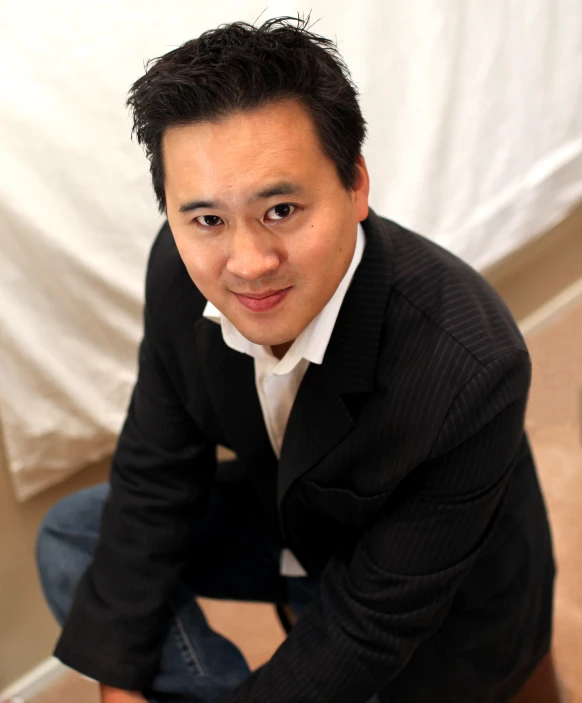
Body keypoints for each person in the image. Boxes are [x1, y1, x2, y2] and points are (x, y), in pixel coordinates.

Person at [36, 16, 557, 703]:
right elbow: (154, 475)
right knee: (74, 534)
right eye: (207, 221)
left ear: (356, 184)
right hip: (287, 524)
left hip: (429, 598)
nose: (248, 265)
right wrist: (120, 686)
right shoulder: (176, 269)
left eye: (281, 208)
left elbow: (368, 625)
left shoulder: (470, 361)